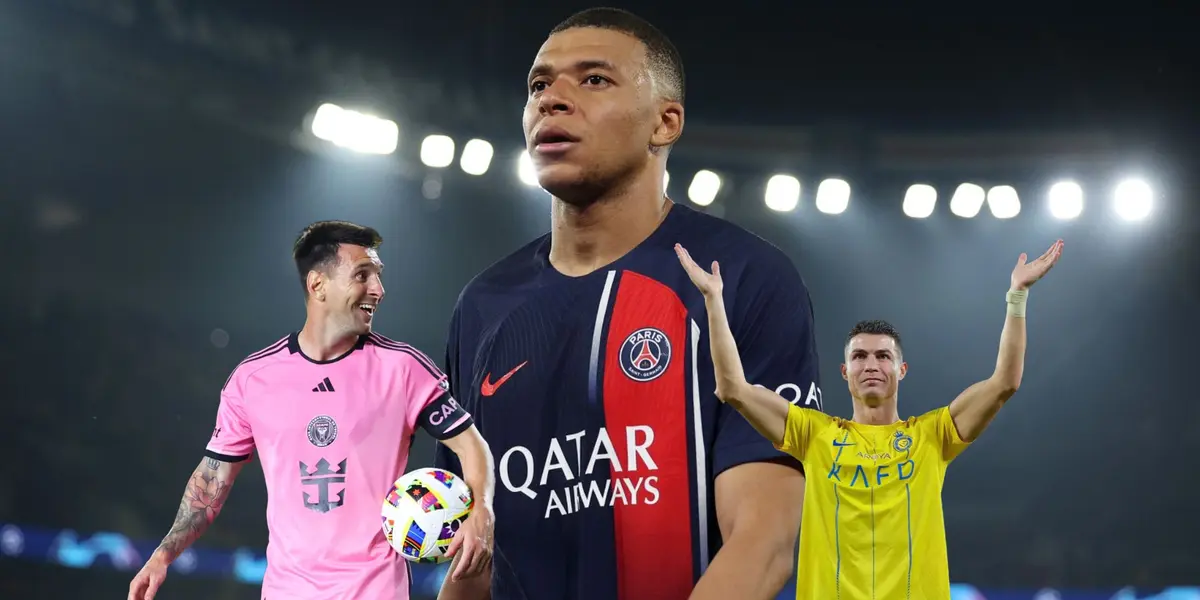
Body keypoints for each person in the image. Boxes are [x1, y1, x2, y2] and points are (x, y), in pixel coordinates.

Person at [434, 8, 822, 600]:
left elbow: (764, 544)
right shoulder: (484, 306)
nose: (552, 100)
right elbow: (471, 561)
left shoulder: (742, 278)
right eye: (539, 84)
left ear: (665, 123)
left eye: (593, 79)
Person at [675, 238, 1064, 599]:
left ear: (902, 369)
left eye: (883, 356)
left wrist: (1017, 297)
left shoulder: (933, 435)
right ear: (845, 372)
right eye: (859, 356)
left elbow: (1004, 382)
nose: (871, 364)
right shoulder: (813, 435)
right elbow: (733, 389)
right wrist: (714, 301)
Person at [127, 221, 496, 600]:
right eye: (362, 275)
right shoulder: (253, 379)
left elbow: (472, 447)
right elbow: (212, 480)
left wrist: (481, 510)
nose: (379, 290)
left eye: (379, 276)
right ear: (317, 285)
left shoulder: (403, 368)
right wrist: (163, 554)